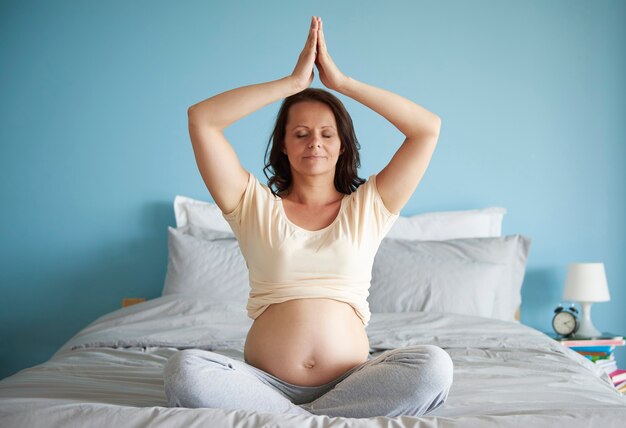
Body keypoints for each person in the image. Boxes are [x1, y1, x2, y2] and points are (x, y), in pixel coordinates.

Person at [163, 16, 453, 418]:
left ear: (341, 145)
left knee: (434, 366)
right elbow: (202, 119)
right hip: (263, 384)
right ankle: (319, 420)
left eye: (326, 133)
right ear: (282, 145)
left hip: (354, 382)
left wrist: (342, 83)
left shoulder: (368, 206)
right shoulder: (253, 206)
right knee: (186, 371)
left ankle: (285, 420)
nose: (314, 142)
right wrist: (292, 83)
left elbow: (427, 129)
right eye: (300, 133)